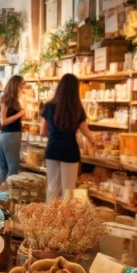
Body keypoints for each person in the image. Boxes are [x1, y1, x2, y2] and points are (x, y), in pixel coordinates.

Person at [42, 73, 97, 201]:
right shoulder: (77, 108)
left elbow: (42, 131)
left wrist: (54, 136)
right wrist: (95, 140)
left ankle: (48, 219)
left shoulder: (49, 106)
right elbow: (86, 132)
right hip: (70, 150)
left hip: (53, 149)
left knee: (52, 187)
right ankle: (64, 220)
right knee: (68, 190)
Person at [0, 75, 26, 187]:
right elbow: (3, 121)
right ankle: (7, 196)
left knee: (2, 170)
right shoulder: (7, 100)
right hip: (11, 137)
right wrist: (19, 114)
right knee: (12, 168)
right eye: (22, 85)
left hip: (3, 136)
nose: (23, 87)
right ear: (16, 85)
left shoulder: (8, 100)